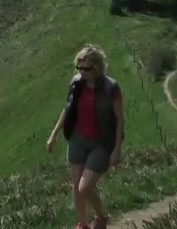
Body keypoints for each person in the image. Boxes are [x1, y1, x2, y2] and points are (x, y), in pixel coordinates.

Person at [46, 44, 125, 229]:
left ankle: (102, 216)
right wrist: (53, 135)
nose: (81, 72)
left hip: (100, 144)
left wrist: (117, 149)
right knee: (76, 187)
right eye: (79, 67)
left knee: (84, 188)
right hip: (77, 140)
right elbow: (67, 110)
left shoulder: (111, 88)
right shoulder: (76, 83)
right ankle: (83, 224)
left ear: (97, 67)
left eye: (86, 69)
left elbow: (120, 119)